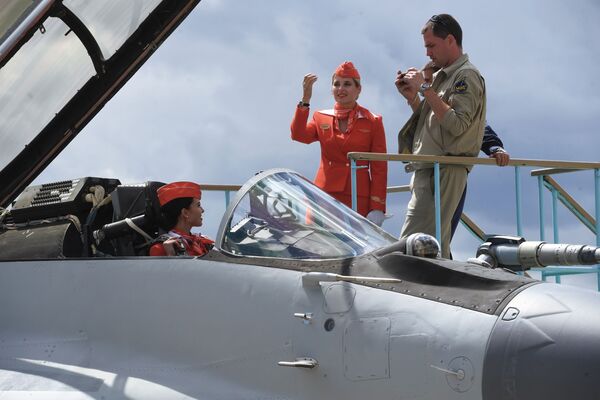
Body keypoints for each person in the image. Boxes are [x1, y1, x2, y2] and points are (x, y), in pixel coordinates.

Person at [395, 14, 486, 258]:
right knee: (422, 245)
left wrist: (425, 89)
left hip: (445, 168)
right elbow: (433, 124)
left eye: (431, 46)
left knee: (422, 246)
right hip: (430, 167)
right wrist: (414, 98)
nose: (427, 53)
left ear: (450, 40)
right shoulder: (444, 75)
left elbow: (457, 125)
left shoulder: (466, 76)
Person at [414, 62, 510, 239]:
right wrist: (411, 98)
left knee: (441, 232)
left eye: (428, 80)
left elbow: (474, 127)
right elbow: (427, 128)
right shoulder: (431, 102)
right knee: (427, 234)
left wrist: (495, 147)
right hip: (427, 173)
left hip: (448, 172)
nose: (423, 84)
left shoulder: (447, 95)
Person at [290, 61, 388, 226]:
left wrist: (377, 206)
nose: (341, 89)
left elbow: (379, 167)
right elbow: (299, 135)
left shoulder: (373, 121)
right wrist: (305, 100)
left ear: (358, 90)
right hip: (323, 195)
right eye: (337, 84)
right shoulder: (321, 117)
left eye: (347, 84)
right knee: (318, 245)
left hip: (358, 197)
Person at [149, 181, 214, 256]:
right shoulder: (160, 248)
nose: (202, 210)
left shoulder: (204, 243)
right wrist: (171, 255)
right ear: (185, 213)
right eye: (198, 205)